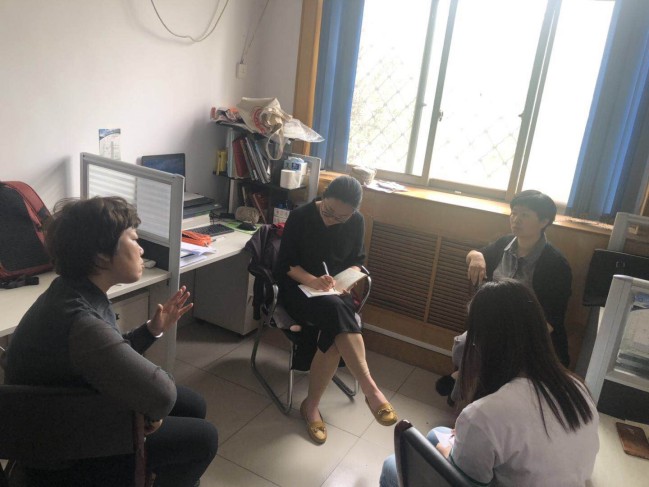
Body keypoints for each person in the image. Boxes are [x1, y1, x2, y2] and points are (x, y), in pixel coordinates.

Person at [3, 196, 218, 487]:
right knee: (204, 439)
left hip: (62, 415)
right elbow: (162, 395)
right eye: (134, 239)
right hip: (62, 450)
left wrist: (152, 330)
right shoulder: (81, 320)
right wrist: (148, 410)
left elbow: (101, 356)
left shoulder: (71, 290)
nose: (141, 249)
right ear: (102, 255)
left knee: (194, 403)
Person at [380, 279, 599, 487]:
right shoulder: (577, 387)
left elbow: (463, 483)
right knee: (437, 432)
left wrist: (444, 450)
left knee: (392, 466)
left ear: (484, 342)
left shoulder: (485, 414)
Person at [277, 175, 397, 444]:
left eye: (341, 217)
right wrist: (313, 281)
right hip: (299, 290)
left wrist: (346, 280)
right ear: (324, 196)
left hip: (335, 293)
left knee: (333, 329)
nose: (332, 220)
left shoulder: (356, 221)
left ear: (353, 213)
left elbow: (357, 262)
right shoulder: (301, 217)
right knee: (337, 313)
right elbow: (286, 264)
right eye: (328, 212)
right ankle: (370, 389)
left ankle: (311, 406)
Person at [437, 190, 572, 404]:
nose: (516, 220)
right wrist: (477, 256)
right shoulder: (505, 244)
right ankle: (465, 387)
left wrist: (508, 340)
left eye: (524, 215)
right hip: (492, 325)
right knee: (463, 345)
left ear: (544, 221)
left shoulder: (555, 265)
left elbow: (551, 321)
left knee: (490, 356)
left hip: (529, 335)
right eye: (514, 213)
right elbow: (476, 253)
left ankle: (461, 384)